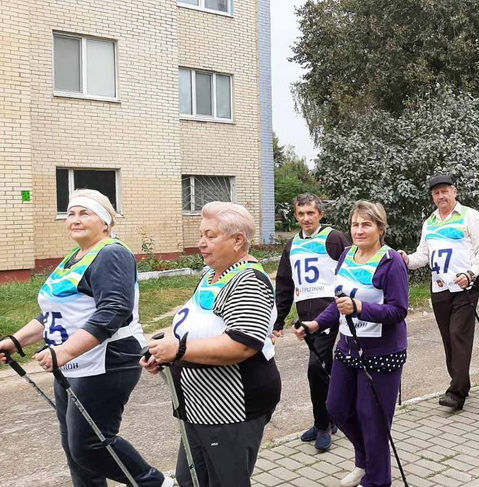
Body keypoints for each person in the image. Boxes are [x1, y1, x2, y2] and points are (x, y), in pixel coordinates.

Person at [0, 189, 167, 487]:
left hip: (107, 361)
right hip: (74, 363)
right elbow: (53, 314)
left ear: (104, 222)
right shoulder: (74, 257)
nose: (75, 220)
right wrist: (15, 341)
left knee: (89, 447)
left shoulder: (111, 253)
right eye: (71, 213)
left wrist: (62, 352)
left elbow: (114, 311)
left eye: (84, 213)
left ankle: (155, 483)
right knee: (76, 451)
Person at [143, 202, 281, 487]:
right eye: (201, 235)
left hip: (230, 409)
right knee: (191, 480)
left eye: (210, 235)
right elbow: (191, 323)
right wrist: (163, 350)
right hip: (198, 407)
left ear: (237, 240)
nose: (201, 243)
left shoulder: (248, 280)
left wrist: (179, 351)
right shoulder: (210, 276)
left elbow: (243, 343)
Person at [295, 200, 408, 487]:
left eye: (366, 224)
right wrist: (316, 324)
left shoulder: (390, 260)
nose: (359, 230)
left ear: (380, 228)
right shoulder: (346, 255)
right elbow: (339, 302)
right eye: (355, 224)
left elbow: (398, 310)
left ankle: (377, 479)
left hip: (382, 351)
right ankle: (366, 461)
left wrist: (360, 307)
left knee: (373, 419)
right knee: (337, 407)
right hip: (348, 347)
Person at [399, 175, 479, 410]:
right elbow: (424, 255)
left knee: (458, 335)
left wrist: (471, 274)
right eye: (436, 193)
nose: (440, 196)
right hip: (439, 287)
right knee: (448, 338)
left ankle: (456, 393)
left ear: (455, 192)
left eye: (444, 191)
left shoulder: (470, 216)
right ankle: (461, 382)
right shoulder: (429, 222)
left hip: (464, 286)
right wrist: (407, 259)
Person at [274, 194, 350, 451]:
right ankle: (329, 418)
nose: (306, 218)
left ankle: (323, 424)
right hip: (304, 317)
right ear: (295, 216)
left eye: (310, 213)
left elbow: (351, 267)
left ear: (320, 214)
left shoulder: (334, 237)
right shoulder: (292, 244)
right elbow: (284, 282)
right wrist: (278, 320)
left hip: (328, 313)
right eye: (301, 214)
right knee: (323, 370)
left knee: (316, 369)